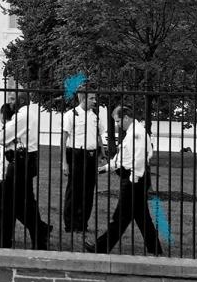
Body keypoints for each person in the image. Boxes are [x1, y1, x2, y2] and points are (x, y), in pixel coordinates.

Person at [85, 105, 164, 255]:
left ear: (126, 118)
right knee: (142, 218)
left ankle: (100, 248)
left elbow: (140, 158)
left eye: (118, 121)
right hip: (135, 179)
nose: (117, 124)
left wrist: (133, 179)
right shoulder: (132, 132)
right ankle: (156, 251)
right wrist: (106, 168)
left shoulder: (137, 133)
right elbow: (123, 157)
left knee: (120, 218)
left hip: (134, 180)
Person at [0, 91, 52, 249]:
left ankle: (6, 241)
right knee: (25, 203)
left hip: (20, 162)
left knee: (9, 202)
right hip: (26, 160)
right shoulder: (29, 115)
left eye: (12, 99)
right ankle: (40, 233)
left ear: (21, 101)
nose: (10, 103)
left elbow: (0, 138)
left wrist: (5, 132)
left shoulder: (21, 116)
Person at [61, 91, 107, 232]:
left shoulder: (95, 116)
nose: (94, 101)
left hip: (91, 156)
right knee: (74, 190)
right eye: (92, 98)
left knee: (88, 192)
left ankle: (82, 224)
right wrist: (64, 162)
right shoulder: (70, 115)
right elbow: (63, 139)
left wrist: (103, 154)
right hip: (76, 155)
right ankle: (70, 224)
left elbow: (99, 136)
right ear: (82, 98)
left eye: (95, 98)